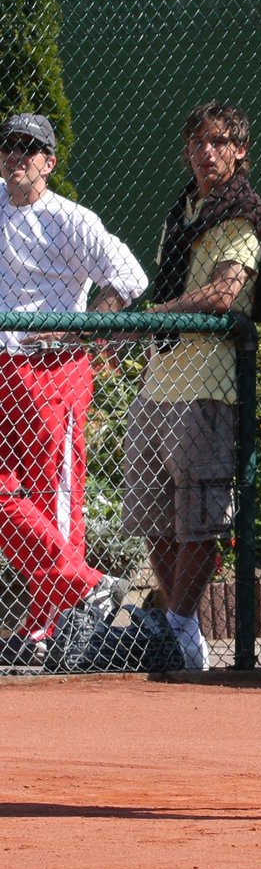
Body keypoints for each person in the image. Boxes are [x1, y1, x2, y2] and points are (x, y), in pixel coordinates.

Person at [122, 102, 261, 671]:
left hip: (208, 386)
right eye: (198, 142)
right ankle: (184, 632)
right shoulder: (180, 211)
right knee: (156, 521)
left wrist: (154, 313)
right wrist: (148, 324)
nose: (206, 152)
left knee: (200, 522)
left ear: (240, 152)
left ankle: (177, 627)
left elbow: (222, 294)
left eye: (219, 142)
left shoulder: (244, 213)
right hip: (156, 382)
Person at [0, 112, 148, 667]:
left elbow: (128, 278)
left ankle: (51, 627)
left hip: (54, 370)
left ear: (50, 162)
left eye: (30, 149)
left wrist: (80, 329)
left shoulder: (73, 220)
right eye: (10, 146)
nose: (18, 156)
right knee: (12, 498)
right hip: (1, 368)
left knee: (55, 500)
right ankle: (86, 585)